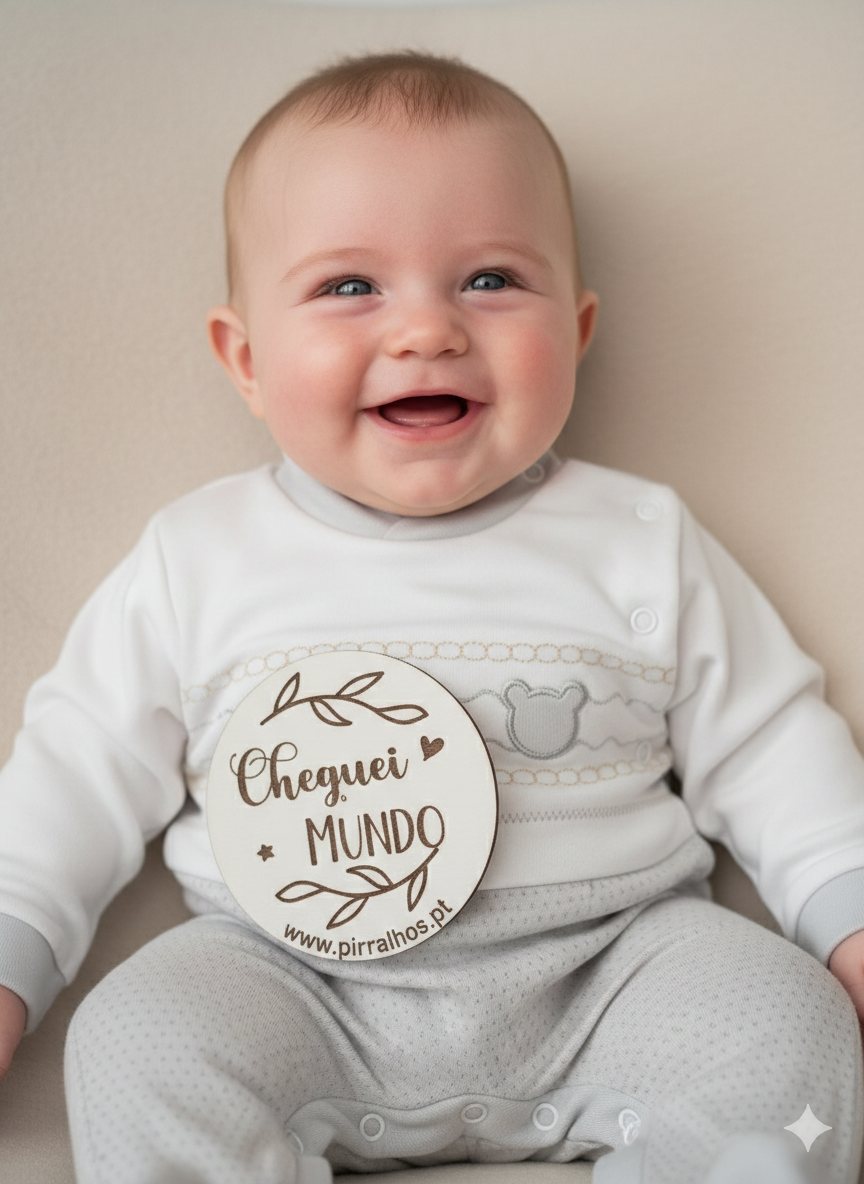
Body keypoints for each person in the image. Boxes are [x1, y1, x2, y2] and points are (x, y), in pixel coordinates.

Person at [1, 51, 864, 1184]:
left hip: (613, 971)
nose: (426, 330)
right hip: (295, 987)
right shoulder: (196, 557)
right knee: (135, 1033)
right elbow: (74, 769)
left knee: (787, 1015)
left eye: (491, 279)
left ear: (579, 329)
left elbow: (770, 742)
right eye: (349, 287)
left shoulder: (638, 536)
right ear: (247, 359)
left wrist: (850, 919)